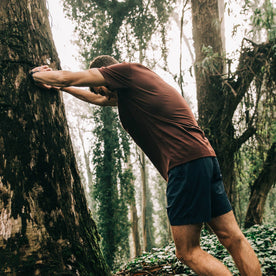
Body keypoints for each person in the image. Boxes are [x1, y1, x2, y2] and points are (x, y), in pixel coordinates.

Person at [30, 55, 262, 276]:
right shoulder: (136, 88)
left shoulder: (126, 71)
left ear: (106, 74)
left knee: (187, 251)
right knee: (233, 237)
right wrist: (62, 89)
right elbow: (101, 100)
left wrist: (42, 76)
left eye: (99, 86)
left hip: (183, 163)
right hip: (204, 157)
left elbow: (66, 77)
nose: (101, 93)